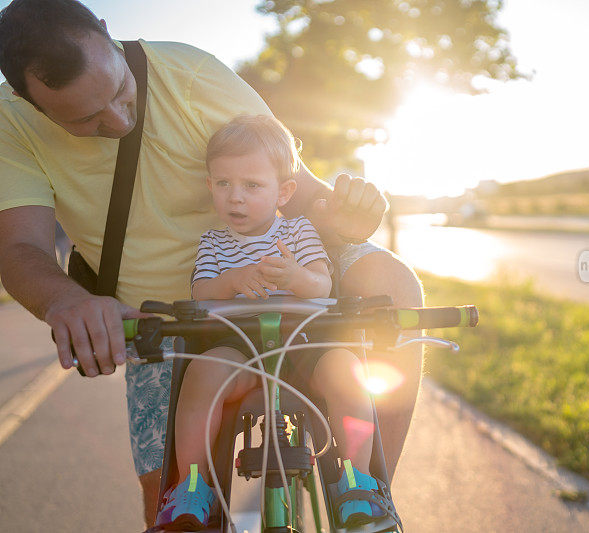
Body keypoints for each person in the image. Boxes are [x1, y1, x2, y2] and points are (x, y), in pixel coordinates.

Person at [0, 0, 422, 527]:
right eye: (84, 120)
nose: (117, 120)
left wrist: (349, 215)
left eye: (120, 92)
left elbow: (300, 189)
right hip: (163, 315)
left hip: (288, 284)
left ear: (107, 34)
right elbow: (20, 248)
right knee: (168, 505)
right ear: (25, 99)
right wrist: (68, 300)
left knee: (392, 282)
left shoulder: (192, 74)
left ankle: (370, 492)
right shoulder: (8, 122)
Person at [155, 115, 384, 530]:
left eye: (252, 185)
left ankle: (357, 479)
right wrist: (233, 280)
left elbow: (322, 281)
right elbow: (202, 293)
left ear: (285, 191)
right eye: (223, 184)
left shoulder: (298, 230)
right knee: (202, 374)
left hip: (304, 347)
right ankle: (192, 484)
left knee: (346, 370)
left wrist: (296, 278)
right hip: (238, 348)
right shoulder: (213, 241)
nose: (235, 198)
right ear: (210, 186)